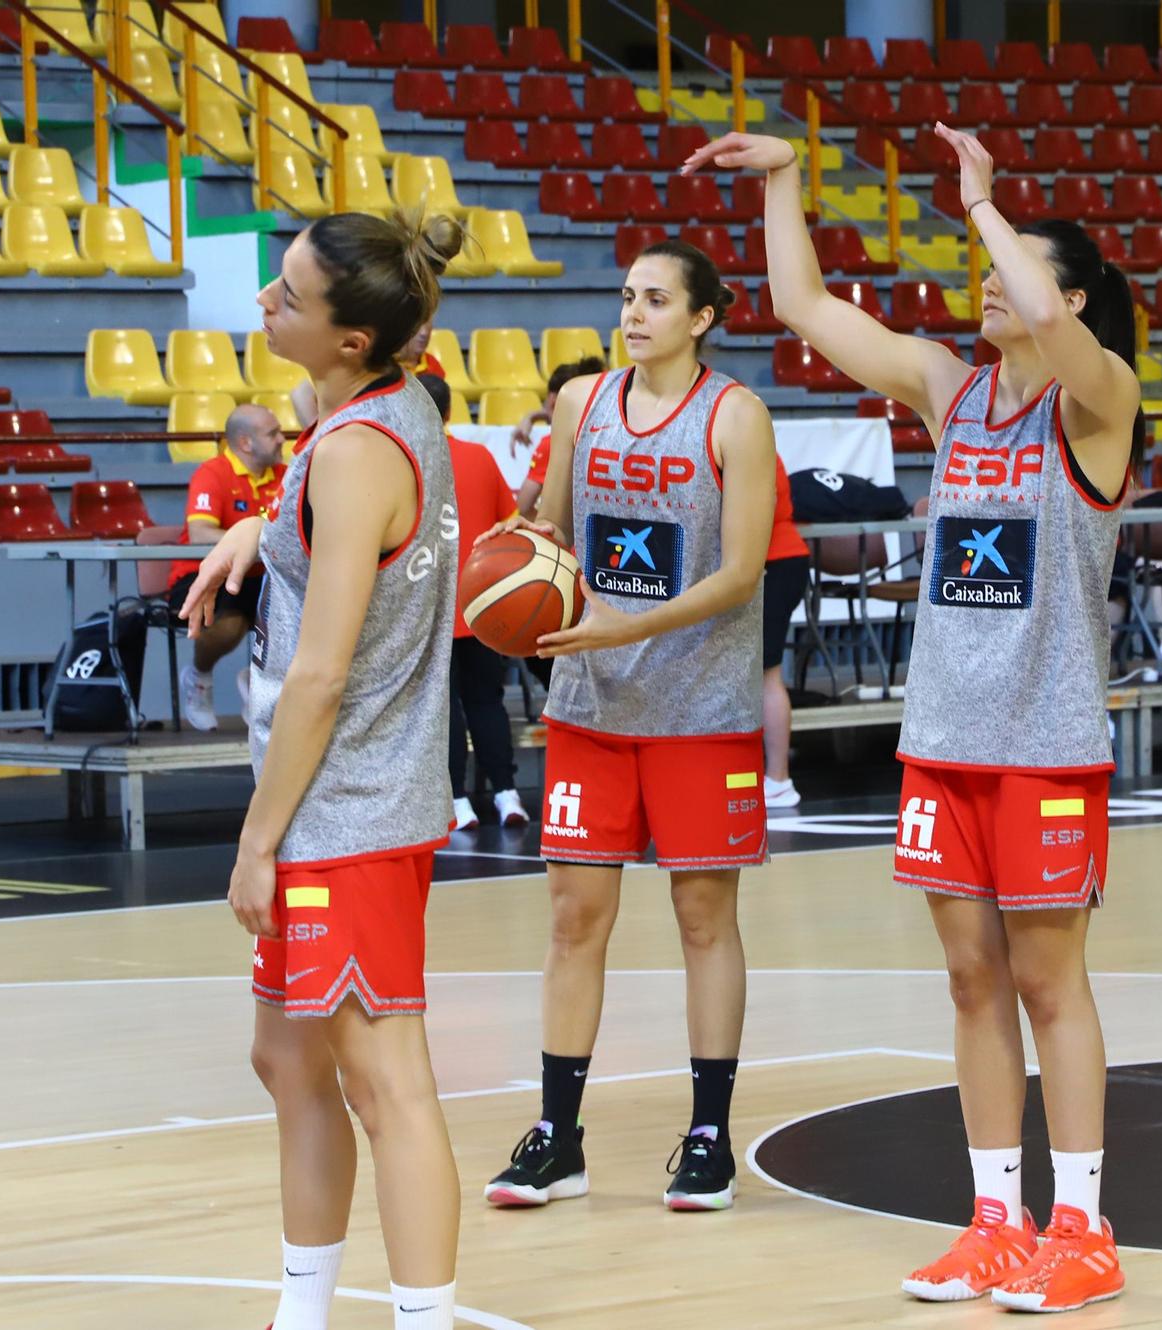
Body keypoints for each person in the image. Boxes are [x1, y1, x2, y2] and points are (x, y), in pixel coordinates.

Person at [686, 125, 1140, 1313]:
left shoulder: (1100, 405)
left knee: (1050, 984)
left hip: (1042, 742)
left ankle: (1082, 1228)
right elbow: (801, 306)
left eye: (1008, 269)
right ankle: (995, 1219)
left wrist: (983, 202)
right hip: (943, 738)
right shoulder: (954, 392)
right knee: (970, 984)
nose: (985, 283)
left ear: (1071, 296)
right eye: (982, 264)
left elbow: (1044, 314)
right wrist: (785, 175)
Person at [179, 206, 467, 1330]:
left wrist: (256, 841)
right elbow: (331, 505)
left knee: (385, 1082)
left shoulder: (354, 450)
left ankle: (421, 1319)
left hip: (347, 805)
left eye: (288, 296)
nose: (264, 302)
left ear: (352, 338)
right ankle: (300, 1312)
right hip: (342, 798)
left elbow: (317, 675)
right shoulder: (371, 406)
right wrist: (260, 530)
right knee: (285, 1058)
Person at [477, 240, 776, 1213]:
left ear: (700, 318)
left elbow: (741, 573)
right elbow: (550, 526)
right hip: (591, 707)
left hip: (699, 709)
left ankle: (706, 1135)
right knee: (573, 918)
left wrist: (628, 622)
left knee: (702, 918)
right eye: (625, 296)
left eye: (655, 299)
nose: (633, 312)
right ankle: (556, 1136)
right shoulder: (580, 404)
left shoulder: (735, 416)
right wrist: (514, 567)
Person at [420, 371, 529, 831]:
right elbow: (513, 523)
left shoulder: (402, 462)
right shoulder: (479, 457)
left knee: (443, 709)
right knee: (488, 702)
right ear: (448, 412)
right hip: (484, 606)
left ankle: (457, 802)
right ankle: (508, 796)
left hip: (430, 609)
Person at [166, 403, 286, 730]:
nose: (281, 440)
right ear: (246, 443)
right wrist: (256, 540)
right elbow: (199, 534)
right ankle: (200, 677)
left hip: (262, 577)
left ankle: (260, 678)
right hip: (205, 576)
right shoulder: (213, 473)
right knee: (230, 626)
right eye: (272, 433)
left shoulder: (285, 475)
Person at [761, 451, 810, 807]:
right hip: (772, 561)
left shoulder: (745, 438)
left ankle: (778, 780)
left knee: (767, 675)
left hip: (774, 563)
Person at [513, 355, 607, 518]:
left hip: (571, 539)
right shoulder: (611, 436)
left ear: (554, 400)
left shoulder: (553, 444)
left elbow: (524, 505)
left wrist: (551, 529)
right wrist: (533, 416)